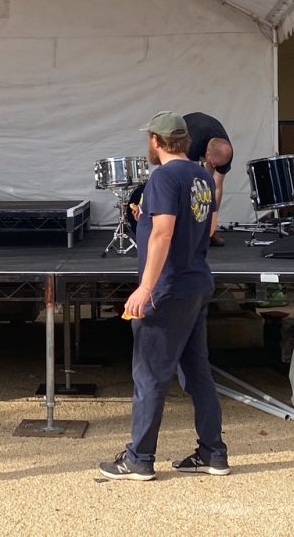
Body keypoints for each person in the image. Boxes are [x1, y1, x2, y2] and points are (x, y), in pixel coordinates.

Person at [100, 111, 229, 481]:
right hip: (197, 282)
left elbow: (164, 234)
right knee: (198, 373)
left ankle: (139, 458)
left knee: (151, 375)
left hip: (167, 290)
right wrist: (148, 216)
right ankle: (213, 453)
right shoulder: (203, 176)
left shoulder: (163, 177)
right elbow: (208, 224)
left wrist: (145, 287)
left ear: (156, 141)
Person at [183, 112, 232, 246]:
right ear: (207, 153)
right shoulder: (192, 144)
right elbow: (190, 182)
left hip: (206, 137)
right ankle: (188, 231)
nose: (216, 167)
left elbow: (217, 187)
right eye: (213, 164)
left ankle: (211, 232)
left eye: (218, 165)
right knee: (192, 186)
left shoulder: (226, 151)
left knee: (210, 187)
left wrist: (212, 221)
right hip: (184, 132)